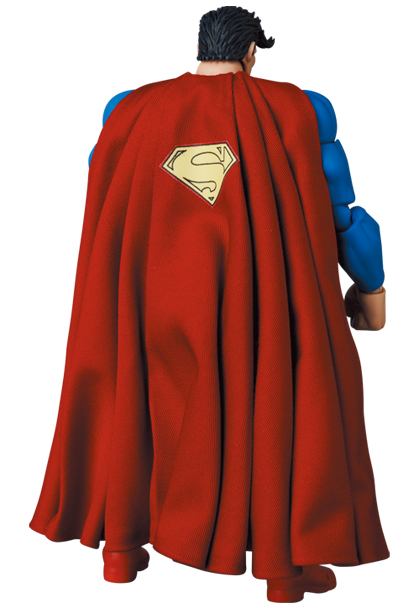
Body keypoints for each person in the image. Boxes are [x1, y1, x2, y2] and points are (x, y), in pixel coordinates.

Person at [29, 6, 389, 603]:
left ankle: (121, 552)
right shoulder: (301, 109)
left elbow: (105, 201)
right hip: (263, 301)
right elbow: (342, 215)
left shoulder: (127, 109)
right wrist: (371, 288)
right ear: (251, 54)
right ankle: (282, 571)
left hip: (148, 298)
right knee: (284, 405)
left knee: (133, 401)